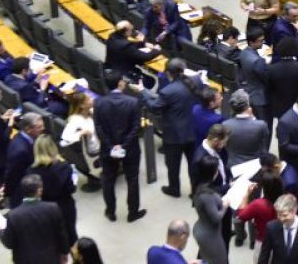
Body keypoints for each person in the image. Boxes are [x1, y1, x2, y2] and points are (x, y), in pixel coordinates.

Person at [94, 71, 147, 223]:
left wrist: (112, 146)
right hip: (130, 148)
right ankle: (133, 212)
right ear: (120, 83)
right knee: (132, 179)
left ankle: (110, 212)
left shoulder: (98, 103)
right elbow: (136, 127)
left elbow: (98, 128)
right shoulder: (133, 101)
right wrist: (123, 145)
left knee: (108, 180)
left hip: (107, 148)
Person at [143, 59, 199, 198]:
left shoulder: (167, 91)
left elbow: (154, 107)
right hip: (191, 129)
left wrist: (143, 92)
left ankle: (174, 189)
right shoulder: (194, 82)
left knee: (173, 165)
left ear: (168, 73)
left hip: (173, 134)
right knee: (193, 163)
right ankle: (196, 190)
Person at [0, 174, 70, 264]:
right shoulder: (53, 208)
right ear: (39, 190)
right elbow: (61, 235)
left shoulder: (13, 215)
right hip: (51, 258)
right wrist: (65, 252)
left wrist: (1, 229)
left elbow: (8, 243)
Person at [28, 134, 78, 244]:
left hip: (44, 209)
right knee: (70, 235)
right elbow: (71, 189)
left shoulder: (31, 171)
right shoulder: (64, 167)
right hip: (64, 206)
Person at [266, 37, 298, 136]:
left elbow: (268, 89)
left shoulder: (271, 69)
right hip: (296, 105)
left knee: (283, 129)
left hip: (279, 107)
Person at [258, 194, 298, 264]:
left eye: (285, 215)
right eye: (279, 214)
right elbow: (264, 255)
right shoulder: (271, 227)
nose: (281, 219)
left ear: (295, 210)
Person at [236, 170, 284, 260]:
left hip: (263, 242)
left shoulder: (258, 204)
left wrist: (247, 195)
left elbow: (241, 216)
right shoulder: (286, 200)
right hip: (283, 241)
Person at [60, 93, 102, 192]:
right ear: (82, 105)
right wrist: (81, 133)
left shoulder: (91, 112)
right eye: (88, 99)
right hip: (95, 147)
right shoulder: (75, 121)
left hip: (99, 140)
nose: (92, 99)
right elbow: (64, 140)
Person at [191, 156, 230, 264]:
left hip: (202, 227)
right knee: (220, 260)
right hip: (209, 233)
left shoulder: (199, 186)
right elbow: (216, 218)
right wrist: (224, 206)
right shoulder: (207, 195)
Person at [4, 112, 45, 208]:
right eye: (39, 127)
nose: (43, 129)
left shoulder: (22, 137)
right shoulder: (20, 151)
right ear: (28, 129)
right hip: (21, 191)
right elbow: (11, 174)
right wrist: (7, 194)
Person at [222, 90, 270, 169]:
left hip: (234, 166)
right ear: (248, 105)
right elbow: (264, 145)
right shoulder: (261, 125)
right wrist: (253, 119)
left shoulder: (225, 125)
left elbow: (225, 145)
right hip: (255, 165)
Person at [105, 20, 161, 86]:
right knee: (151, 81)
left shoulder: (112, 36)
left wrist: (143, 44)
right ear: (126, 32)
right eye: (131, 30)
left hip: (110, 67)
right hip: (123, 72)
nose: (132, 31)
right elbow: (145, 57)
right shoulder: (126, 46)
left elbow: (129, 44)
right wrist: (156, 50)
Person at [189, 124, 230, 196]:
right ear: (216, 141)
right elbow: (200, 190)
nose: (225, 144)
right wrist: (228, 187)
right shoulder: (199, 160)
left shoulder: (218, 149)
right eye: (224, 142)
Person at [238, 27, 269, 119]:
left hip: (249, 91)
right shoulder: (258, 61)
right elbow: (266, 78)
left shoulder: (243, 53)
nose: (262, 42)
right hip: (260, 97)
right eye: (260, 41)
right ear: (251, 42)